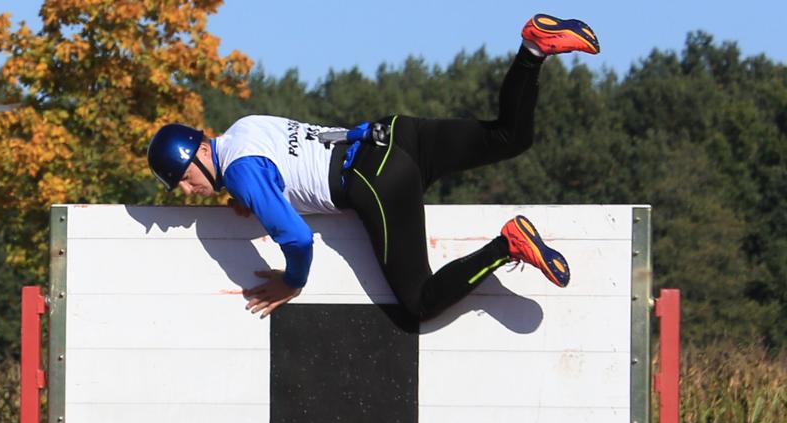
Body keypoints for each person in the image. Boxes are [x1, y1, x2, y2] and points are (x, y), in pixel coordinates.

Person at [146, 13, 600, 322]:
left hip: (374, 179)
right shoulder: (243, 129)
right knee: (510, 137)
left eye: (182, 179)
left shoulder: (244, 174)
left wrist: (292, 280)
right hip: (396, 135)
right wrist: (247, 196)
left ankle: (508, 244)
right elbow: (282, 164)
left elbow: (298, 238)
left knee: (419, 302)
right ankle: (533, 47)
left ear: (197, 155)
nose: (186, 192)